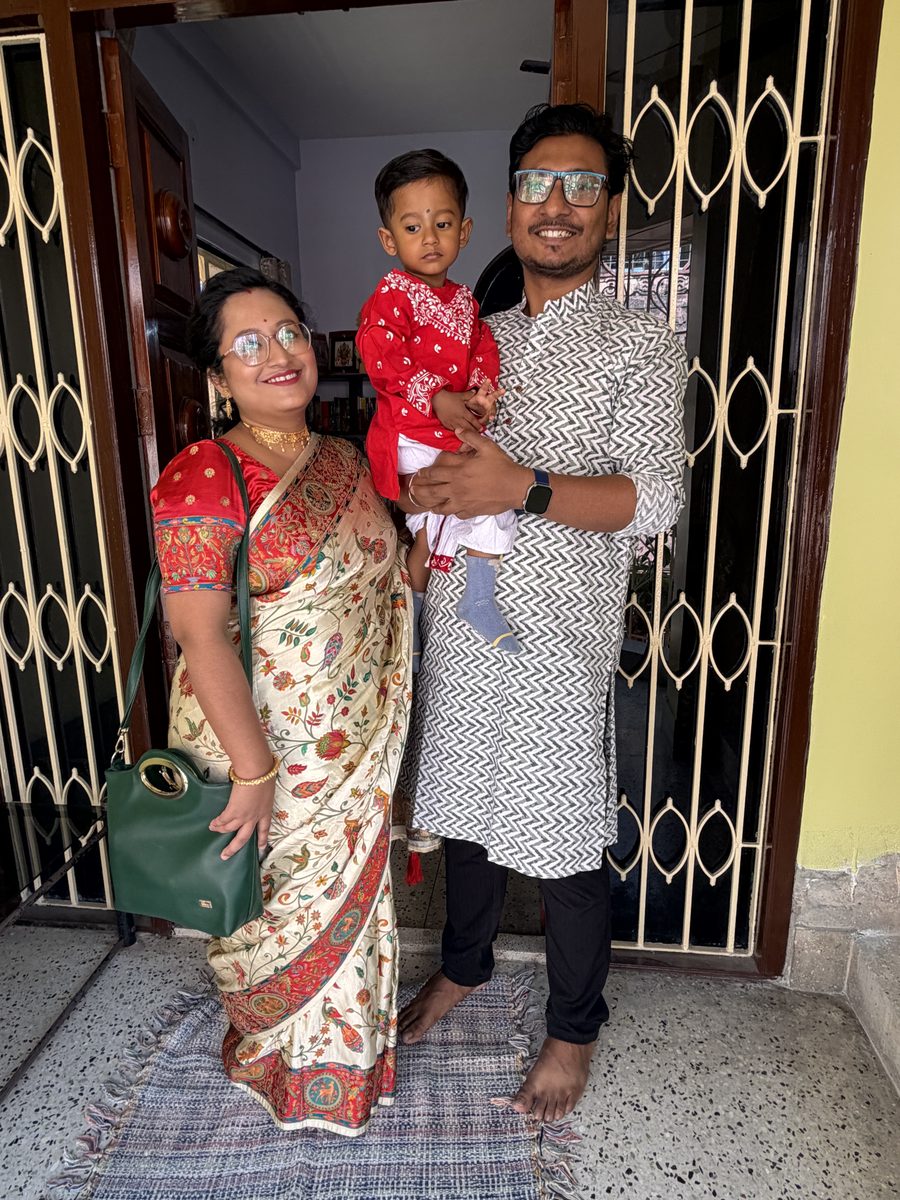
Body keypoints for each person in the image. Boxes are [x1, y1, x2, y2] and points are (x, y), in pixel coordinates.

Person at [398, 104, 687, 1123]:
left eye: (581, 185)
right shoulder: (471, 336)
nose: (556, 205)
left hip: (559, 635)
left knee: (563, 844)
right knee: (467, 819)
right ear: (510, 201)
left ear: (610, 210)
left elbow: (657, 501)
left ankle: (573, 1028)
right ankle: (465, 967)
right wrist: (425, 505)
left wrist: (521, 487)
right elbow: (429, 468)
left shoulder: (638, 344)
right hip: (464, 624)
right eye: (535, 183)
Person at [149, 266, 411, 1135]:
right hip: (262, 753)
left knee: (351, 905)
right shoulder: (204, 472)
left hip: (347, 743)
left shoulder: (340, 457)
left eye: (290, 333)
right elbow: (199, 635)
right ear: (219, 377)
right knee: (271, 914)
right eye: (248, 344)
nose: (279, 355)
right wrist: (256, 773)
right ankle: (275, 1057)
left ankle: (348, 1065)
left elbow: (376, 587)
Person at [356, 148, 520, 666]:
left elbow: (482, 349)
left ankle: (474, 597)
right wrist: (436, 396)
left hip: (452, 430)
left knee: (493, 505)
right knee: (436, 518)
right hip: (410, 430)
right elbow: (379, 354)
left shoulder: (467, 303)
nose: (429, 237)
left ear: (465, 232)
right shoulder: (392, 295)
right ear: (389, 240)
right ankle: (415, 614)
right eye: (412, 226)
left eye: (442, 223)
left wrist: (481, 392)